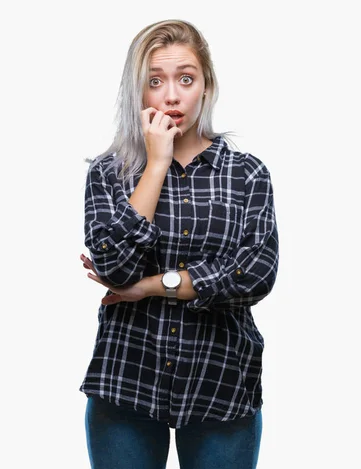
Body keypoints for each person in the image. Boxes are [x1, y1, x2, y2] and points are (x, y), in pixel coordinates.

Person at [79, 19, 279, 469]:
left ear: (206, 87)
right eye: (155, 81)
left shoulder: (246, 175)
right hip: (127, 382)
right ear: (139, 92)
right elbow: (114, 268)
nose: (172, 95)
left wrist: (151, 286)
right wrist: (155, 166)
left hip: (222, 385)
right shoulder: (109, 173)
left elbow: (255, 273)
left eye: (185, 79)